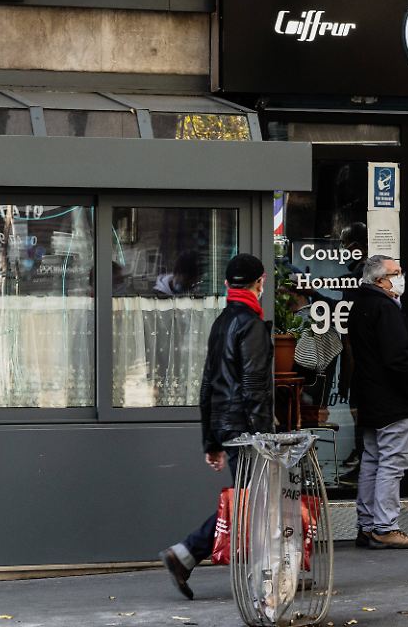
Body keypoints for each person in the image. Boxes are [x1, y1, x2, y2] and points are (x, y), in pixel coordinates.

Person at [158, 253, 274, 599]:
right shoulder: (251, 324)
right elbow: (254, 385)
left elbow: (208, 384)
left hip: (228, 426)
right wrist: (264, 436)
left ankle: (187, 555)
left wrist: (211, 440)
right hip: (246, 427)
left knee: (249, 499)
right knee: (256, 502)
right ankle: (260, 578)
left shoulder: (222, 321)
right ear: (261, 282)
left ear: (226, 285)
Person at [348, 254, 408, 549]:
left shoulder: (362, 305)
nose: (401, 276)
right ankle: (385, 527)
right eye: (396, 272)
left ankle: (368, 524)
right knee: (391, 464)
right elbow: (398, 358)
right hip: (394, 399)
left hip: (371, 398)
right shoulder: (385, 307)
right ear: (380, 280)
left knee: (372, 461)